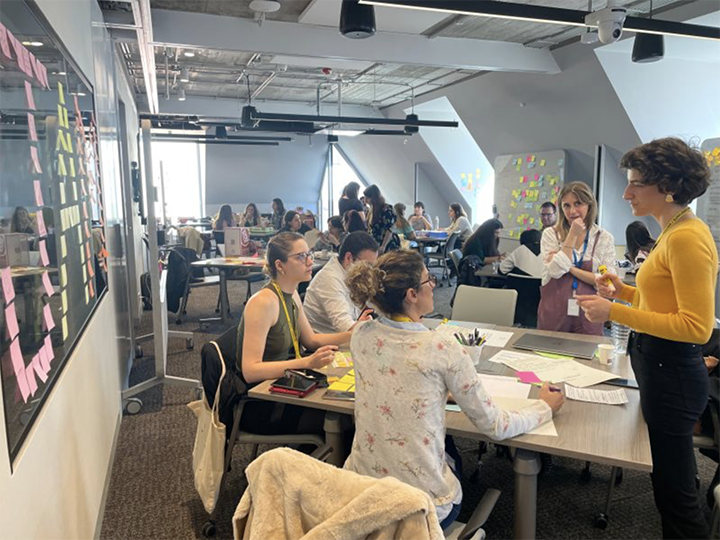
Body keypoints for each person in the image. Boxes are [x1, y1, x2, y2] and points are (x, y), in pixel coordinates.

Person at [343, 249, 564, 530]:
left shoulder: (361, 335)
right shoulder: (441, 348)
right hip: (421, 508)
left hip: (362, 492)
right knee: (451, 452)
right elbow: (496, 426)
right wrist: (544, 407)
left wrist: (434, 391)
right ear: (412, 294)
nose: (434, 285)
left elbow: (394, 377)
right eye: (429, 280)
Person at [576, 138, 718, 540]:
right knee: (669, 489)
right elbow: (662, 303)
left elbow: (696, 326)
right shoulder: (673, 229)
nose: (626, 193)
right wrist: (623, 292)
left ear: (667, 186)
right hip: (660, 371)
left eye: (636, 183)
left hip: (673, 376)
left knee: (677, 499)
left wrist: (613, 312)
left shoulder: (687, 236)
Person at [236, 232, 367, 436]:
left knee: (352, 407)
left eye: (309, 254)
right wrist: (307, 363)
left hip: (289, 385)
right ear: (280, 265)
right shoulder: (263, 303)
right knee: (345, 420)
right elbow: (250, 371)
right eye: (301, 256)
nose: (309, 261)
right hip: (265, 402)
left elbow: (311, 340)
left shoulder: (292, 293)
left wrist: (356, 331)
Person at [537, 181, 615, 335]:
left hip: (589, 314)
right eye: (566, 206)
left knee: (588, 350)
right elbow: (555, 271)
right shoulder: (551, 234)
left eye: (578, 203)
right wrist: (572, 235)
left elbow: (607, 281)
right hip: (554, 311)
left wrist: (570, 268)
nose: (572, 211)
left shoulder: (603, 238)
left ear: (589, 205)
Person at [304, 232, 379, 334]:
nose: (370, 270)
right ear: (349, 258)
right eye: (367, 264)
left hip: (343, 336)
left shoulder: (351, 273)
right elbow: (345, 327)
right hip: (329, 340)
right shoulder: (330, 280)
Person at [364, 184, 400, 253]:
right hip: (376, 244)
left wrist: (383, 246)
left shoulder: (387, 209)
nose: (365, 201)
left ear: (374, 198)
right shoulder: (371, 210)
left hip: (388, 244)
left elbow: (390, 229)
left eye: (368, 198)